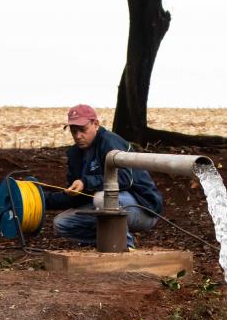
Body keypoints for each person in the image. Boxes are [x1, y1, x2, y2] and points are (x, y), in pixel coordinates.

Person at [44, 104, 162, 248]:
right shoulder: (75, 154)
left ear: (96, 124)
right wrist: (42, 200)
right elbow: (77, 197)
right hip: (105, 205)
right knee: (61, 223)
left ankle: (124, 247)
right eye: (74, 132)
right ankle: (108, 243)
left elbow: (125, 179)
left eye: (82, 130)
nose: (78, 136)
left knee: (102, 198)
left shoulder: (110, 142)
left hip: (142, 208)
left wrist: (86, 182)